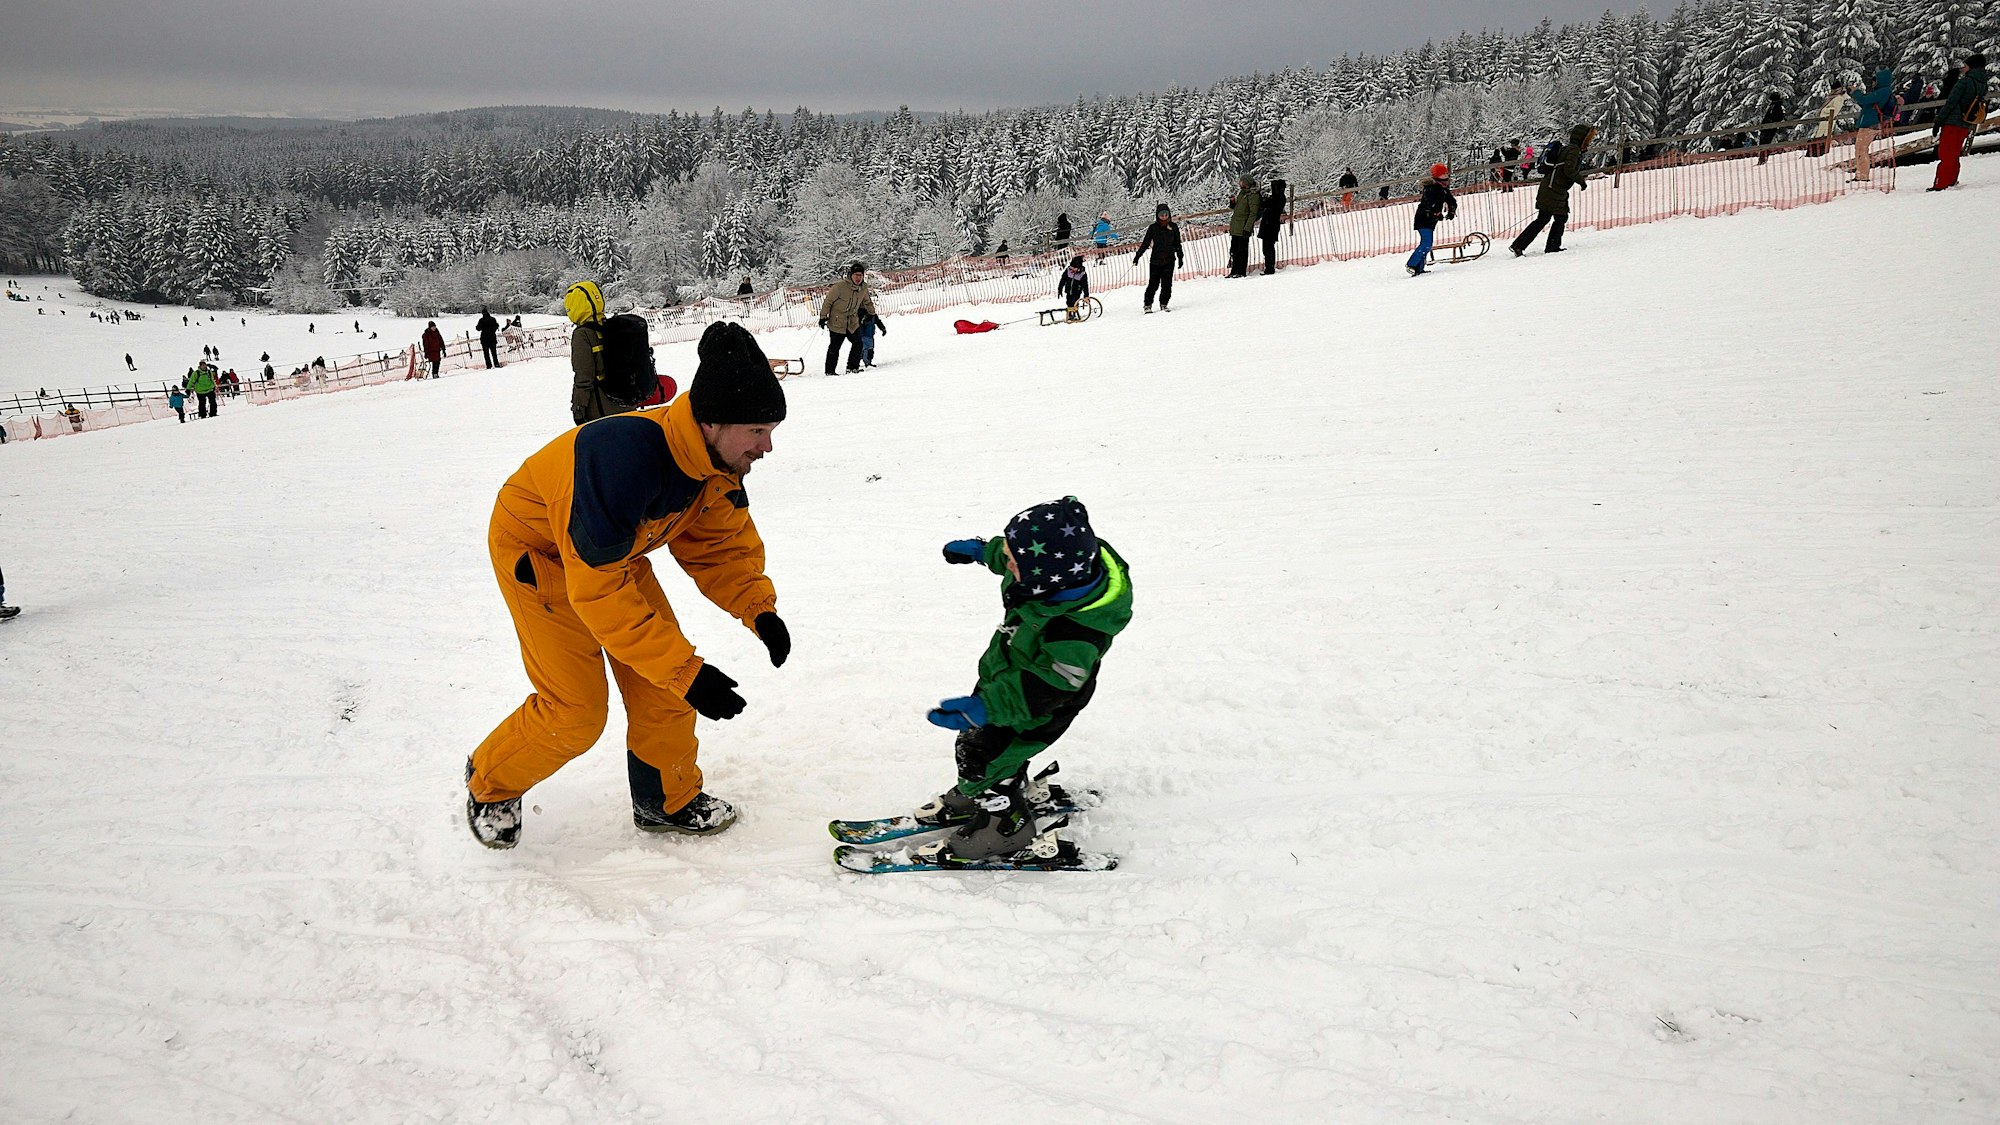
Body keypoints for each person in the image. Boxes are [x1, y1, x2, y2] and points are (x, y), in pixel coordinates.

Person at [463, 321, 791, 849]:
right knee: (577, 711)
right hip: (542, 553)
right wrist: (687, 672)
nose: (767, 447)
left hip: (615, 548)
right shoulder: (622, 461)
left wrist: (759, 609)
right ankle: (491, 782)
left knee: (664, 684)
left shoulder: (714, 466)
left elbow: (720, 549)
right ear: (712, 422)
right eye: (757, 431)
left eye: (771, 430)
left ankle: (666, 800)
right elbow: (599, 594)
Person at [913, 497, 1134, 865]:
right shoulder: (1066, 566)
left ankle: (1004, 827)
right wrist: (985, 552)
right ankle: (990, 788)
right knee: (995, 750)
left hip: (1039, 703)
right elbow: (1028, 555)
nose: (1008, 561)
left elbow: (1053, 684)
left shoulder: (1076, 629)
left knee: (980, 756)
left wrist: (987, 706)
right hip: (1009, 676)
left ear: (1045, 576)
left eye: (1013, 560)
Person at [1510, 124, 1596, 257]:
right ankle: (1521, 245)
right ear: (1582, 138)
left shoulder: (1570, 149)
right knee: (1545, 218)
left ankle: (1549, 246)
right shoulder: (1573, 150)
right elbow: (1569, 170)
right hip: (1553, 189)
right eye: (1589, 138)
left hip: (1553, 188)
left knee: (1558, 217)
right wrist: (1581, 181)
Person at [566, 280, 633, 423]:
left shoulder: (582, 334)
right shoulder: (615, 326)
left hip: (602, 411)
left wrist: (578, 407)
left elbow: (584, 376)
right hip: (627, 400)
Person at [1930, 54, 1990, 191]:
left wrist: (1939, 119)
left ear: (1972, 66)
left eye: (1966, 65)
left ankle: (1941, 183)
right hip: (1966, 121)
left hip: (1952, 121)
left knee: (1946, 153)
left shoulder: (1964, 82)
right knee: (1955, 152)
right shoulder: (1982, 84)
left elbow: (1951, 102)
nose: (1963, 68)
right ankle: (1952, 179)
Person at [816, 262, 876, 376]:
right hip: (837, 321)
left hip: (852, 321)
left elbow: (867, 301)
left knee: (858, 343)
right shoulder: (840, 287)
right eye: (856, 275)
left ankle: (853, 367)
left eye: (860, 275)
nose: (858, 278)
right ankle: (830, 371)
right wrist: (823, 317)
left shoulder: (863, 288)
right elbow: (828, 302)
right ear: (851, 275)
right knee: (835, 347)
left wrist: (872, 313)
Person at [1406, 164, 1458, 277]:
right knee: (1426, 243)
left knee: (1426, 243)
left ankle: (1419, 268)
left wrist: (1451, 211)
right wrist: (1436, 212)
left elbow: (1451, 201)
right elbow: (1430, 204)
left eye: (1446, 175)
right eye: (1443, 175)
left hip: (1430, 221)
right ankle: (1411, 264)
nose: (1446, 179)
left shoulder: (1443, 190)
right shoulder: (1430, 189)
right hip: (1423, 218)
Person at [1133, 203, 1183, 314]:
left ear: (1169, 215)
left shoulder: (1173, 227)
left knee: (1167, 284)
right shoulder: (1153, 228)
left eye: (1166, 214)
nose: (1164, 216)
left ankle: (1164, 303)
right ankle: (1147, 304)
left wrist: (1180, 257)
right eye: (1161, 214)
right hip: (1156, 261)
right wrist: (1138, 256)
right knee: (1153, 284)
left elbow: (1177, 243)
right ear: (1157, 215)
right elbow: (1145, 243)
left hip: (1169, 260)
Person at [1849, 67, 1896, 182]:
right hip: (1870, 123)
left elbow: (1864, 100)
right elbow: (1865, 102)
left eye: (1875, 80)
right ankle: (1860, 174)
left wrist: (1856, 91)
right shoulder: (1882, 91)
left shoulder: (1882, 91)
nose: (1873, 83)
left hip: (1870, 124)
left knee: (1862, 149)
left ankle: (1862, 176)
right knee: (1860, 149)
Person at [1227, 174, 1262, 277]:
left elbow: (1253, 213)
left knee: (1242, 251)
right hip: (1236, 227)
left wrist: (1247, 228)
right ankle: (1234, 271)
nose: (1239, 184)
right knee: (1234, 251)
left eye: (1241, 182)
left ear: (1246, 183)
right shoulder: (1242, 194)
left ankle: (1240, 271)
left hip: (1243, 228)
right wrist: (1233, 203)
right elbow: (1239, 209)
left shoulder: (1253, 196)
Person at [1257, 178, 1286, 275]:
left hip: (1270, 225)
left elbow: (1267, 205)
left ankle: (1270, 268)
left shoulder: (1278, 198)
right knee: (1267, 247)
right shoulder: (1277, 198)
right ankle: (1269, 267)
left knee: (1268, 247)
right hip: (1269, 224)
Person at [1056, 255, 1090, 320]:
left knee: (1074, 302)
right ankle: (1069, 314)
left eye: (1073, 268)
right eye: (1071, 268)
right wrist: (1060, 289)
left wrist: (1086, 295)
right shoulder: (1068, 271)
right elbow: (1063, 280)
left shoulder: (1082, 274)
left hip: (1077, 291)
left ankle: (1074, 314)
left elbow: (1085, 286)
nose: (1071, 269)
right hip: (1068, 290)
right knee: (1069, 302)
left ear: (1078, 268)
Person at [1757, 94, 1787, 164]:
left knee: (1765, 143)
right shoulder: (1773, 106)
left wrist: (1770, 122)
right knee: (1763, 143)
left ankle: (1763, 159)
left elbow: (1778, 118)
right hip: (1767, 127)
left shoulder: (1777, 106)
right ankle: (1762, 158)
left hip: (1770, 127)